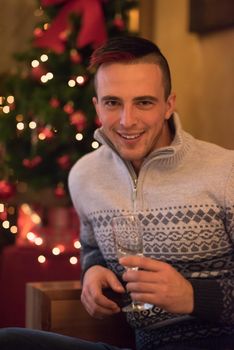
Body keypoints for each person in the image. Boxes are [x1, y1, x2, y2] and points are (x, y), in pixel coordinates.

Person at [0, 36, 233, 350]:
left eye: (144, 102)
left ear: (169, 105)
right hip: (141, 345)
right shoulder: (84, 175)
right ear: (97, 106)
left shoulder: (226, 171)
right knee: (10, 342)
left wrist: (193, 296)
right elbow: (92, 248)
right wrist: (92, 270)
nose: (127, 121)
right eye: (113, 103)